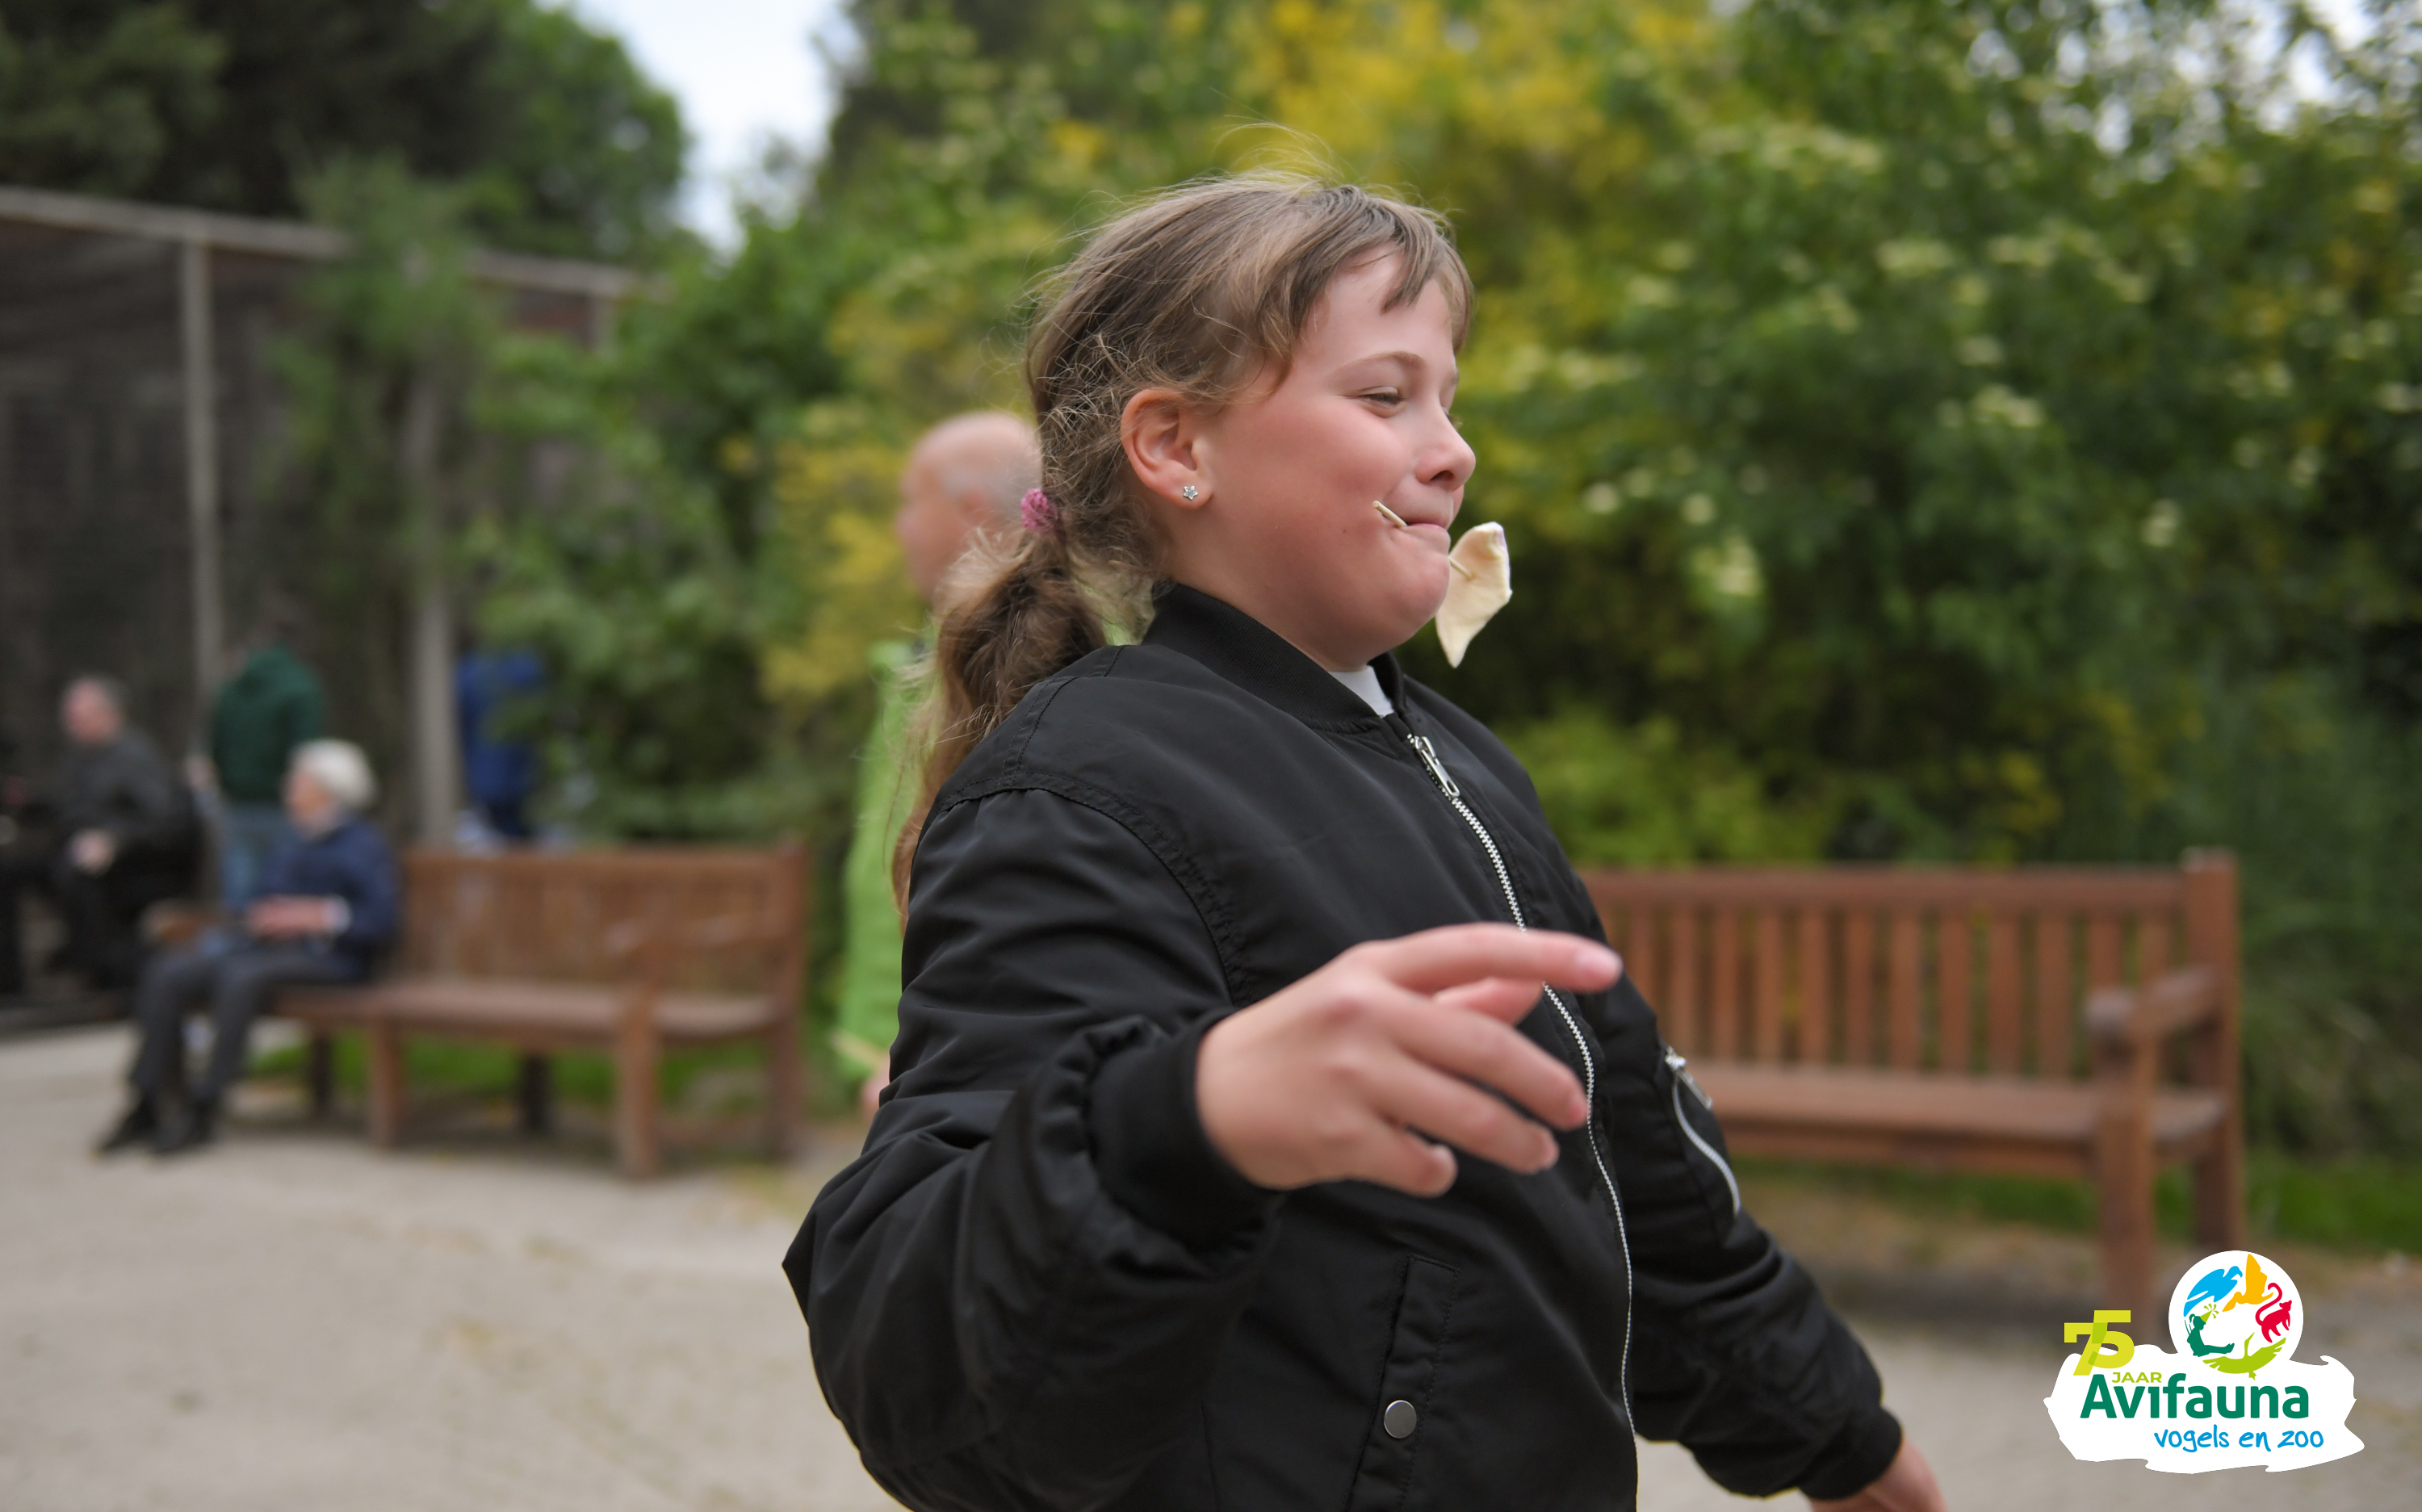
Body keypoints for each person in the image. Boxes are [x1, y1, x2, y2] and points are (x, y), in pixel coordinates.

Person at [787, 178, 1945, 1512]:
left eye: (1449, 399)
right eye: (1386, 395)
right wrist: (1185, 1123)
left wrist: (1834, 1429)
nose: (1452, 450)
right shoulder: (1080, 787)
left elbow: (1633, 1170)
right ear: (1176, 445)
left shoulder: (1465, 765)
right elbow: (923, 1369)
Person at [834, 411, 1040, 1115]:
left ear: (970, 510)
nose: (899, 528)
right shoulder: (937, 647)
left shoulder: (1026, 662)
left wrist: (926, 1045)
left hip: (947, 1058)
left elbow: (1016, 872)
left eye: (908, 502)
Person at [98, 739, 397, 1155]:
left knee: (239, 977)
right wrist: (264, 914)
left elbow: (380, 920)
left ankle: (206, 1105)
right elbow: (260, 897)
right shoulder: (292, 841)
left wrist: (317, 916)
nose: (289, 789)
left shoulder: (363, 844)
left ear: (329, 791)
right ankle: (146, 1101)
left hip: (333, 959)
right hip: (270, 950)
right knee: (169, 970)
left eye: (299, 782)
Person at [0, 677, 196, 995]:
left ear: (108, 714)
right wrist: (27, 800)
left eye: (79, 718)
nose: (71, 726)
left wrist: (114, 841)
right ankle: (11, 984)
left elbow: (168, 822)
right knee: (10, 870)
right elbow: (68, 805)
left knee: (77, 874)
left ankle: (95, 979)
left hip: (141, 866)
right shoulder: (82, 757)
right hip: (80, 852)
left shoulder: (135, 757)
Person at [195, 601, 325, 907]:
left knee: (241, 898)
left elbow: (214, 746)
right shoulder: (301, 687)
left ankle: (238, 936)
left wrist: (227, 783)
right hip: (284, 807)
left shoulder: (231, 688)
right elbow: (307, 755)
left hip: (238, 805)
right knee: (288, 895)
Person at [455, 646, 545, 842]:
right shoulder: (528, 667)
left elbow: (464, 727)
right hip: (520, 776)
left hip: (483, 776)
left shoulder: (467, 671)